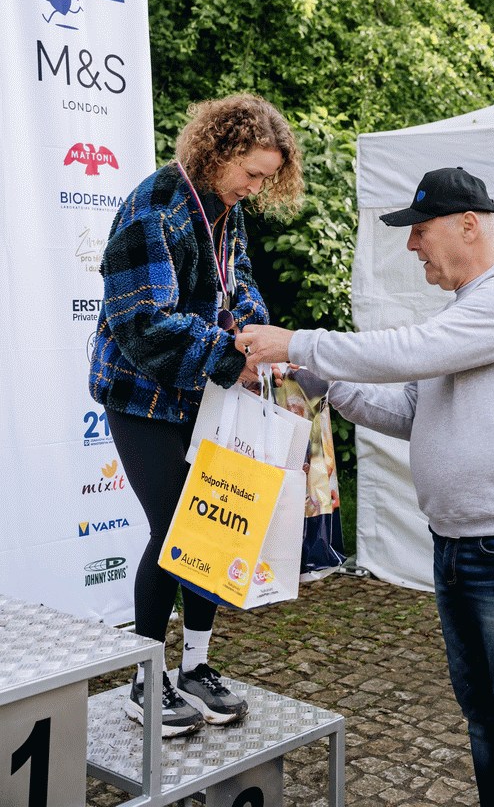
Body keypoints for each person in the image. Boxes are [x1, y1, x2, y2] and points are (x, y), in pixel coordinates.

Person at [236, 166, 494, 807]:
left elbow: (406, 352)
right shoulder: (462, 316)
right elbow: (408, 414)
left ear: (468, 225)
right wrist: (322, 381)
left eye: (421, 229)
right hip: (460, 542)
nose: (412, 244)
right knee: (485, 721)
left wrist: (298, 342)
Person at [89, 92, 303, 737]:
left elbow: (241, 286)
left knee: (212, 528)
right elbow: (141, 322)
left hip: (202, 394)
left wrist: (255, 337)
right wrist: (229, 355)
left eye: (266, 178)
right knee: (174, 531)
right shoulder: (153, 208)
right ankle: (144, 678)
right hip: (141, 399)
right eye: (252, 173)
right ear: (218, 151)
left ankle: (196, 667)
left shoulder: (223, 209)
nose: (256, 188)